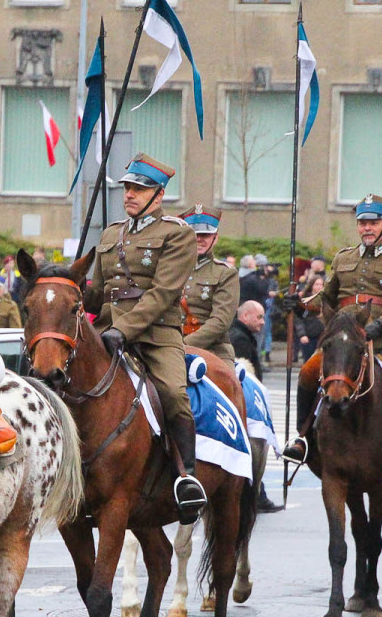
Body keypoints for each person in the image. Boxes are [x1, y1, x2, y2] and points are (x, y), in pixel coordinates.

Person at [83, 152, 208, 523]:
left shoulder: (177, 233)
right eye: (128, 188)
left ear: (159, 194)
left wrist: (125, 328)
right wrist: (68, 284)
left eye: (139, 189)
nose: (130, 195)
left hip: (155, 334)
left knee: (172, 391)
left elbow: (163, 293)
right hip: (108, 329)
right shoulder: (110, 234)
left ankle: (187, 477)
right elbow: (98, 294)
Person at [283, 194, 382, 469]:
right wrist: (301, 305)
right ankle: (302, 438)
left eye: (373, 222)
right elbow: (328, 299)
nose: (367, 228)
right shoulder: (344, 257)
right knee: (308, 371)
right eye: (362, 223)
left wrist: (381, 325)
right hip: (345, 338)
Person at [178, 205, 239, 365]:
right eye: (195, 234)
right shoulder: (172, 268)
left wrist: (184, 345)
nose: (199, 239)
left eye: (205, 234)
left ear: (215, 237)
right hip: (170, 346)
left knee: (224, 389)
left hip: (213, 350)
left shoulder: (225, 273)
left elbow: (220, 321)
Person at [230, 300, 265, 380]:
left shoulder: (239, 334)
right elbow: (243, 377)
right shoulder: (241, 340)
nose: (263, 322)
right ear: (245, 315)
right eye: (259, 317)